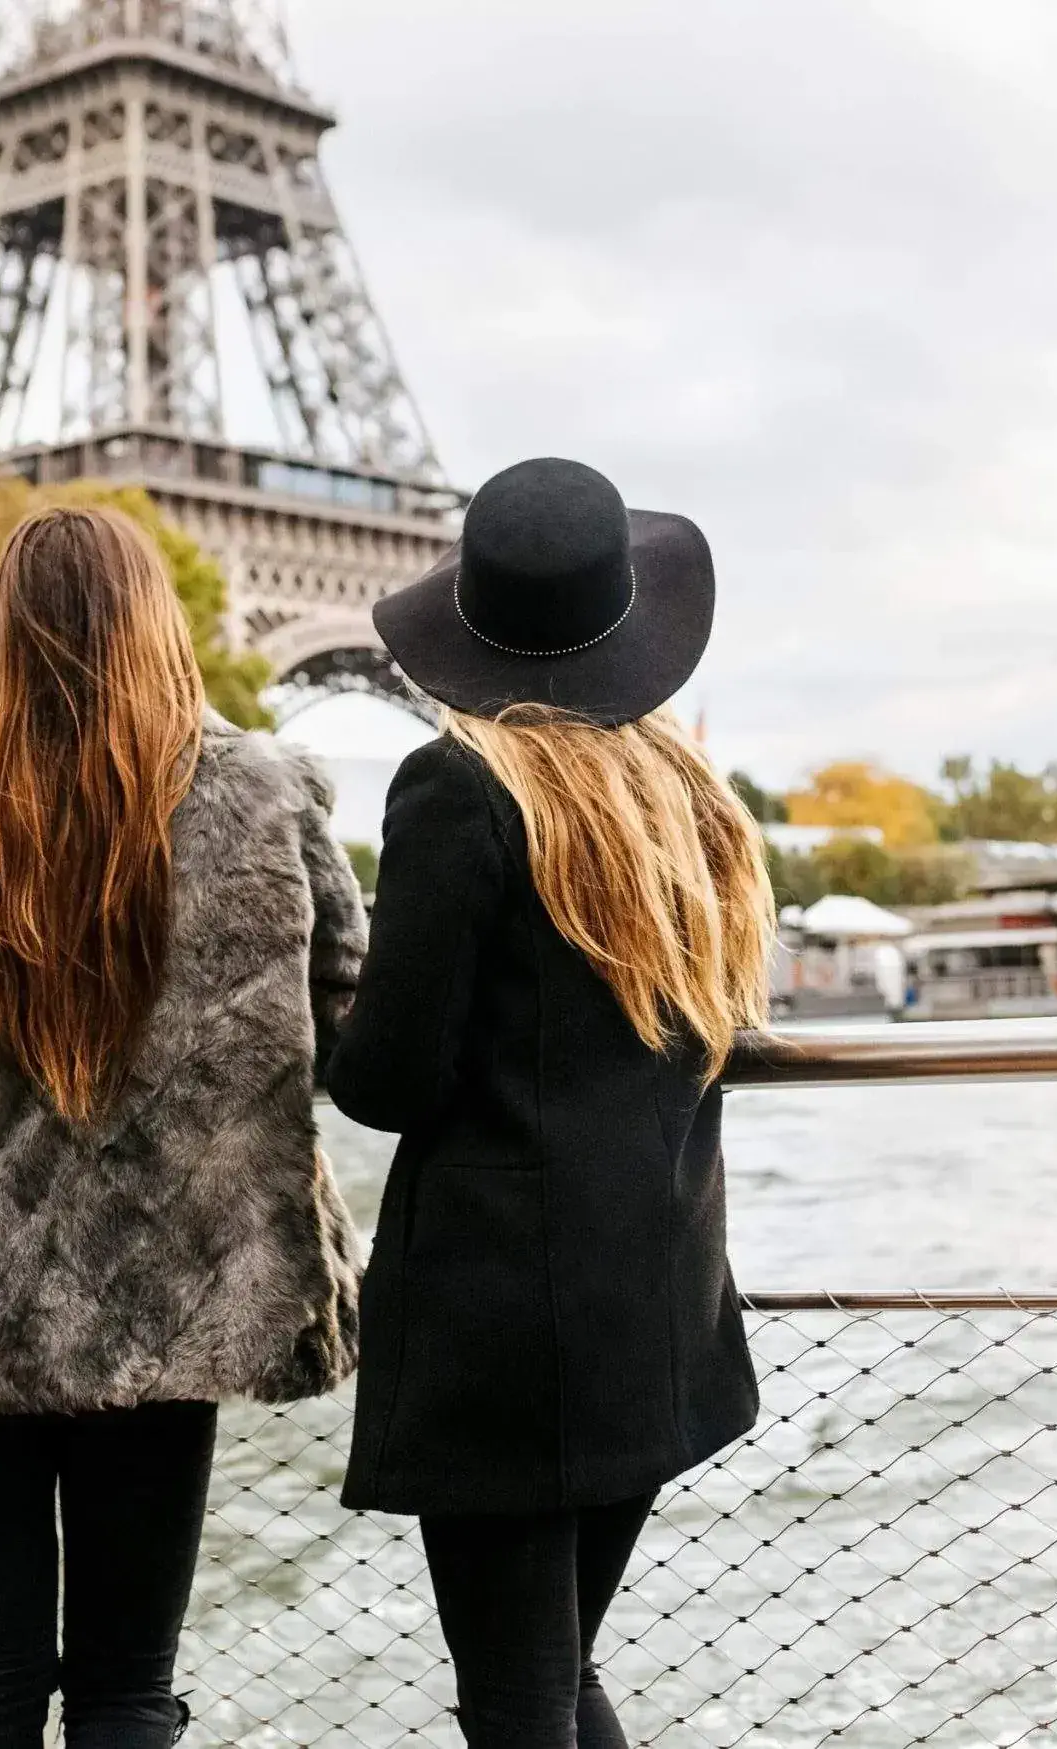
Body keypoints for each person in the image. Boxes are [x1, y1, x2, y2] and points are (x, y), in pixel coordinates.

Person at [0, 504, 367, 1749]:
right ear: (157, 623)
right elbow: (343, 1014)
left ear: (5, 639)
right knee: (127, 1685)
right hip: (170, 1283)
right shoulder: (263, 792)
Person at [328, 457, 772, 1749]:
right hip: (657, 1302)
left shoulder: (458, 789)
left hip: (507, 1331)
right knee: (556, 1676)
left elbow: (390, 1079)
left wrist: (322, 1007)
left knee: (519, 1698)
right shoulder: (694, 807)